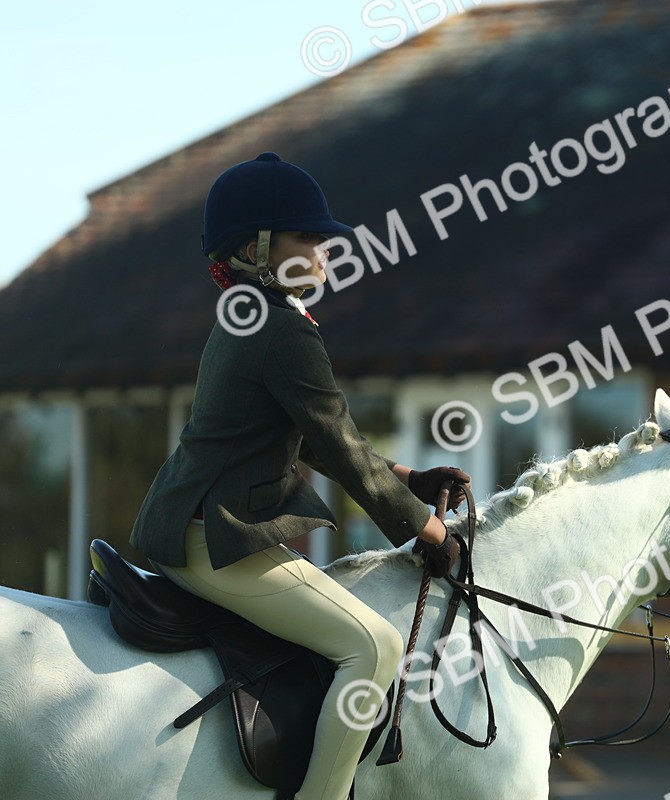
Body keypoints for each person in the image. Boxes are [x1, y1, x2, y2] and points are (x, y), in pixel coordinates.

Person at [129, 152, 470, 800]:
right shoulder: (281, 330)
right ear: (257, 248)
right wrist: (428, 530)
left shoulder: (244, 315)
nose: (322, 252)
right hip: (217, 538)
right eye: (306, 238)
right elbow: (337, 447)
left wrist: (407, 474)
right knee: (374, 646)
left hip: (180, 523)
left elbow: (306, 433)